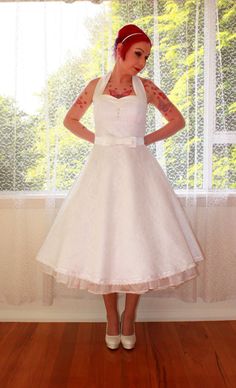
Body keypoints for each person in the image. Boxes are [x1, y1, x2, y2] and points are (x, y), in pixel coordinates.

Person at [35, 24, 205, 350]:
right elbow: (70, 120)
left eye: (146, 56)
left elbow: (177, 121)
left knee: (139, 244)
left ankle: (129, 318)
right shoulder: (95, 86)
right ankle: (111, 319)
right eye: (138, 53)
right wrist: (98, 140)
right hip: (100, 175)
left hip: (138, 174)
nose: (142, 62)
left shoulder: (147, 88)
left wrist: (144, 141)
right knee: (105, 245)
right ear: (120, 50)